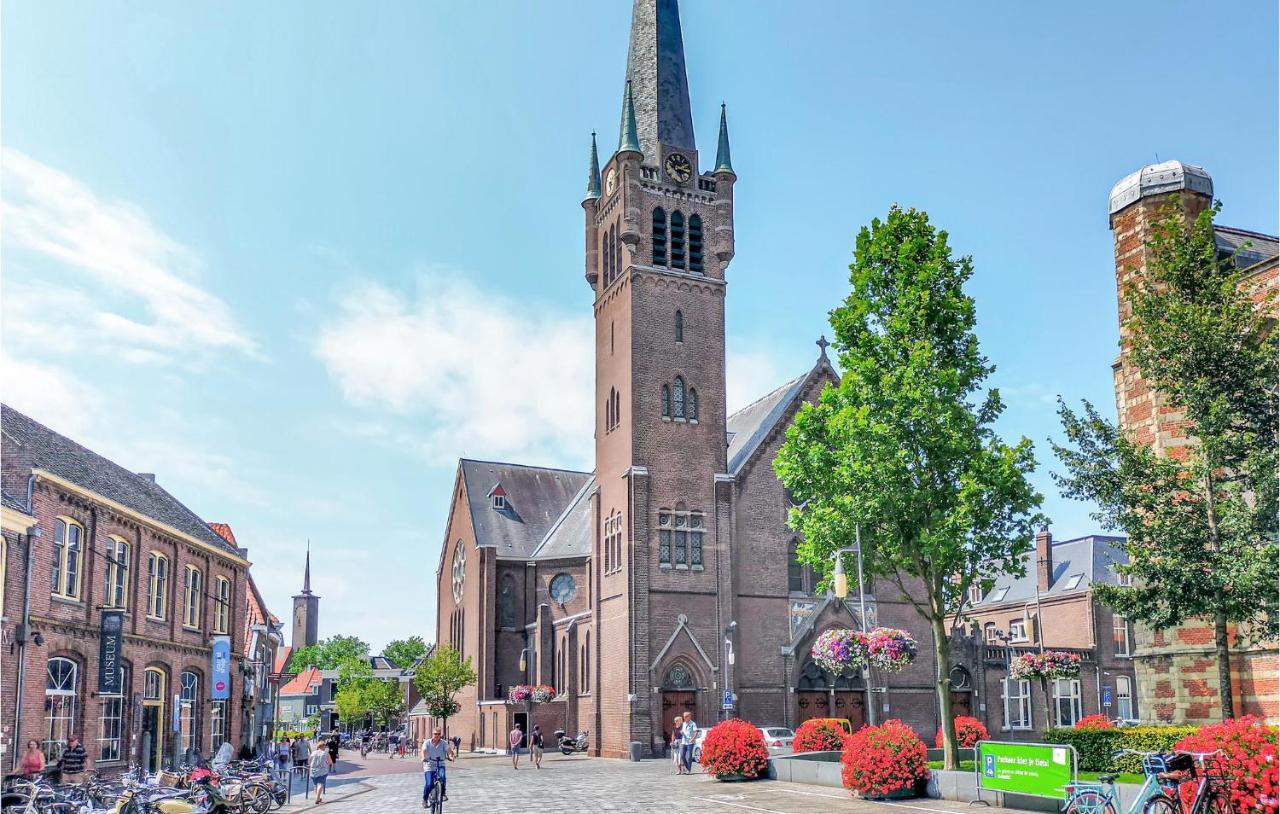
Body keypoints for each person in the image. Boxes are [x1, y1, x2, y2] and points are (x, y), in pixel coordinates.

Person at [420, 728, 455, 808]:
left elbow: (449, 751)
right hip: (429, 765)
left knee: (442, 777)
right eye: (435, 734)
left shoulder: (443, 743)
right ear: (432, 734)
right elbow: (423, 751)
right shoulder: (427, 743)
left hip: (440, 763)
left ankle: (443, 794)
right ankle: (425, 799)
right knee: (429, 784)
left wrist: (450, 756)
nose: (437, 736)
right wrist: (423, 757)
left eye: (439, 734)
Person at [307, 738, 332, 805]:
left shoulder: (313, 753)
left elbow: (309, 761)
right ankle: (318, 798)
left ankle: (318, 797)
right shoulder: (326, 753)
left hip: (313, 771)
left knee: (316, 785)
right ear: (323, 746)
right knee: (320, 784)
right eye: (324, 746)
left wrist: (311, 766)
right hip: (322, 771)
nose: (325, 747)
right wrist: (326, 763)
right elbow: (330, 762)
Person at [680, 711, 698, 775]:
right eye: (684, 716)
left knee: (689, 756)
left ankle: (689, 770)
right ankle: (687, 768)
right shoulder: (684, 723)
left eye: (686, 716)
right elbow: (683, 730)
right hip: (683, 741)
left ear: (689, 717)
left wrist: (692, 739)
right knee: (682, 755)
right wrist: (681, 732)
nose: (684, 718)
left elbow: (696, 732)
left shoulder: (693, 724)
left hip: (690, 742)